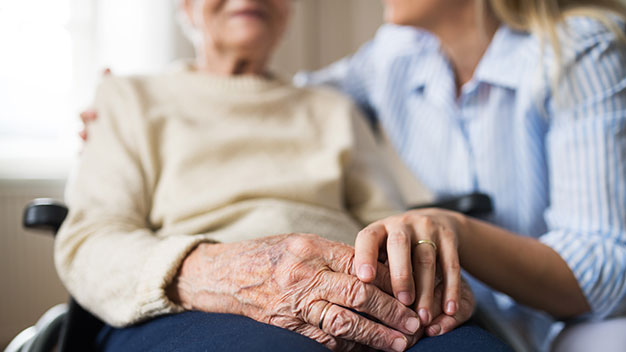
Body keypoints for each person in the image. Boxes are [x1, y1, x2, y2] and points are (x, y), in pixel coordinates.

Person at [58, 0, 511, 351]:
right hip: (202, 305)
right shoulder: (128, 98)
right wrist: (226, 275)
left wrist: (418, 270)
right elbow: (90, 241)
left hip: (354, 296)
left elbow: (385, 221)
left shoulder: (333, 108)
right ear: (185, 6)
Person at [293, 0, 626, 350]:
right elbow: (293, 102)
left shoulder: (579, 49)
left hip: (583, 323)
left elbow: (606, 267)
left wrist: (456, 231)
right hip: (480, 317)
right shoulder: (398, 53)